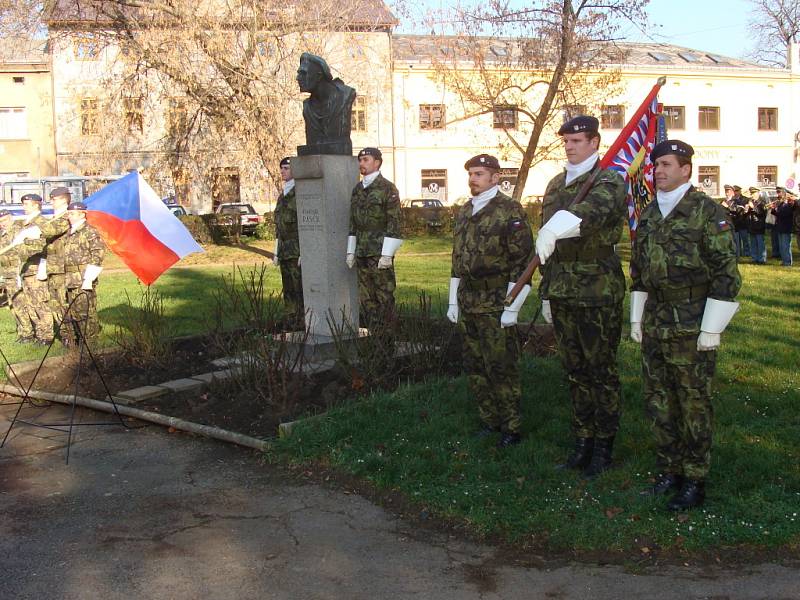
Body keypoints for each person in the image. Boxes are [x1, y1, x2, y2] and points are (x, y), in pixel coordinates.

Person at [630, 139, 741, 511]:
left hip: (692, 320)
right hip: (657, 319)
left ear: (685, 169)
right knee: (658, 399)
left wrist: (713, 328)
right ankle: (669, 470)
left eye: (665, 164)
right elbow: (639, 272)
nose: (657, 170)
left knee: (693, 402)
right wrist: (636, 315)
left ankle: (695, 479)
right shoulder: (648, 214)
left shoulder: (707, 212)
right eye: (656, 165)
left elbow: (727, 273)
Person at [537, 115, 627, 477]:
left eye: (577, 140)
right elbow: (547, 244)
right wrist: (546, 290)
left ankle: (604, 446)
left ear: (595, 143)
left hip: (596, 288)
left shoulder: (609, 180)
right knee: (574, 370)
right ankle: (582, 440)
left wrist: (553, 229)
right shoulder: (557, 182)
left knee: (600, 370)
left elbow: (589, 215)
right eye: (567, 141)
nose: (570, 146)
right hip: (561, 286)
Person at [448, 154, 533, 448]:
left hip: (496, 299)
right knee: (475, 365)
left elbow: (523, 262)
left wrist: (513, 306)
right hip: (469, 299)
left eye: (479, 173)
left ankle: (511, 426)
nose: (473, 179)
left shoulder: (510, 211)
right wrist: (452, 300)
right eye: (471, 173)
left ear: (495, 178)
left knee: (501, 365)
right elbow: (456, 258)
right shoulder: (464, 211)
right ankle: (488, 420)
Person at [346, 147, 402, 329]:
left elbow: (395, 222)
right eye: (360, 160)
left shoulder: (387, 188)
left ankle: (387, 340)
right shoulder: (357, 189)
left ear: (377, 162)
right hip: (362, 250)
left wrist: (387, 254)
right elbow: (353, 222)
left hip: (379, 251)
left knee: (384, 296)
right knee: (366, 298)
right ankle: (372, 336)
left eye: (366, 160)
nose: (361, 164)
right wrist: (350, 250)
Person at [8, 194, 53, 344]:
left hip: (36, 268)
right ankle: (39, 334)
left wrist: (22, 245)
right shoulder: (23, 224)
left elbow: (42, 246)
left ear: (36, 205)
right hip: (25, 269)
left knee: (40, 304)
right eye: (24, 204)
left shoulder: (43, 223)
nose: (24, 207)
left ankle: (46, 335)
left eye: (27, 204)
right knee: (31, 305)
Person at [296, 52, 356, 155]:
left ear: (319, 76)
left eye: (303, 73)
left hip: (340, 160)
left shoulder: (345, 96)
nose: (298, 78)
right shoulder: (307, 106)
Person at [63, 201, 105, 342]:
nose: (69, 216)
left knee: (86, 311)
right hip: (70, 278)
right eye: (69, 213)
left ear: (82, 214)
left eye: (72, 213)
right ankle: (80, 339)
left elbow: (97, 254)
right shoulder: (69, 232)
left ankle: (90, 341)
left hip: (83, 277)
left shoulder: (89, 231)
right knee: (74, 311)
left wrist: (89, 278)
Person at [272, 157, 305, 330]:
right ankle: (292, 322)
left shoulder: (301, 194)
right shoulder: (282, 195)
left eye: (286, 168)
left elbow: (305, 225)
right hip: (285, 250)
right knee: (289, 290)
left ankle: (302, 323)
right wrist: (276, 250)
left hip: (297, 249)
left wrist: (305, 251)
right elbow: (279, 226)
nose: (283, 171)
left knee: (299, 289)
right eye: (282, 168)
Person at [43, 186, 74, 340]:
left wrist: (36, 220)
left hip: (62, 268)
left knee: (63, 303)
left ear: (63, 199)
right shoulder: (54, 218)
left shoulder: (66, 218)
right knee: (55, 304)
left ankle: (70, 335)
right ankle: (64, 334)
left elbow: (49, 231)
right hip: (52, 268)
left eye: (54, 199)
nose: (51, 202)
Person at [771, 190, 795, 267]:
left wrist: (777, 210)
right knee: (781, 246)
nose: (780, 198)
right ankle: (784, 261)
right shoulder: (781, 204)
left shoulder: (789, 205)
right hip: (780, 227)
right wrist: (773, 209)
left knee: (786, 246)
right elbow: (778, 214)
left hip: (786, 228)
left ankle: (788, 262)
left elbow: (784, 214)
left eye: (781, 196)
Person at [745, 187, 767, 264]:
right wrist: (746, 210)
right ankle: (754, 258)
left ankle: (762, 259)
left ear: (757, 193)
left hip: (759, 225)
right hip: (751, 225)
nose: (752, 195)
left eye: (753, 193)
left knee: (760, 243)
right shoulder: (751, 202)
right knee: (753, 243)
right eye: (751, 193)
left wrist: (753, 207)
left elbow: (761, 213)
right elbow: (747, 214)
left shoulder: (762, 202)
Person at [729, 185, 750, 259]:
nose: (735, 193)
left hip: (743, 221)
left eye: (737, 191)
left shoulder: (745, 199)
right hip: (736, 223)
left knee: (745, 239)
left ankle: (747, 253)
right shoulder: (732, 200)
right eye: (734, 191)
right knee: (737, 240)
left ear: (740, 191)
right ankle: (739, 252)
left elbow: (746, 210)